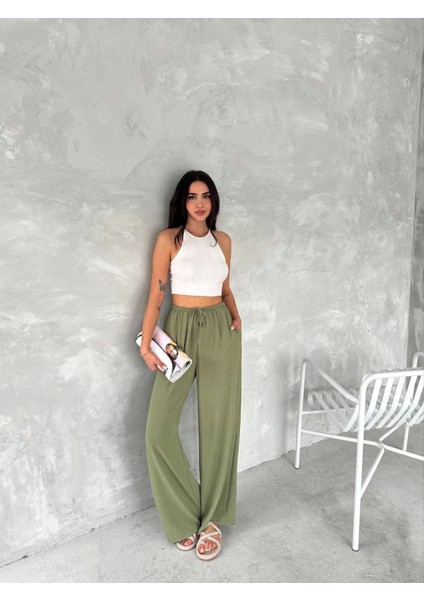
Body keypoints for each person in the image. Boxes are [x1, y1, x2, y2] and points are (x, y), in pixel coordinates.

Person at [140, 170, 242, 561]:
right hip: (179, 329)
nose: (200, 203)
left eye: (206, 196)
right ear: (181, 202)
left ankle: (212, 518)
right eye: (192, 196)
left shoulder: (223, 241)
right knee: (158, 430)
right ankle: (185, 513)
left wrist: (236, 315)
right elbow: (156, 293)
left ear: (213, 201)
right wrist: (145, 345)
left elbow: (225, 288)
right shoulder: (169, 239)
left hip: (220, 328)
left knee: (219, 426)